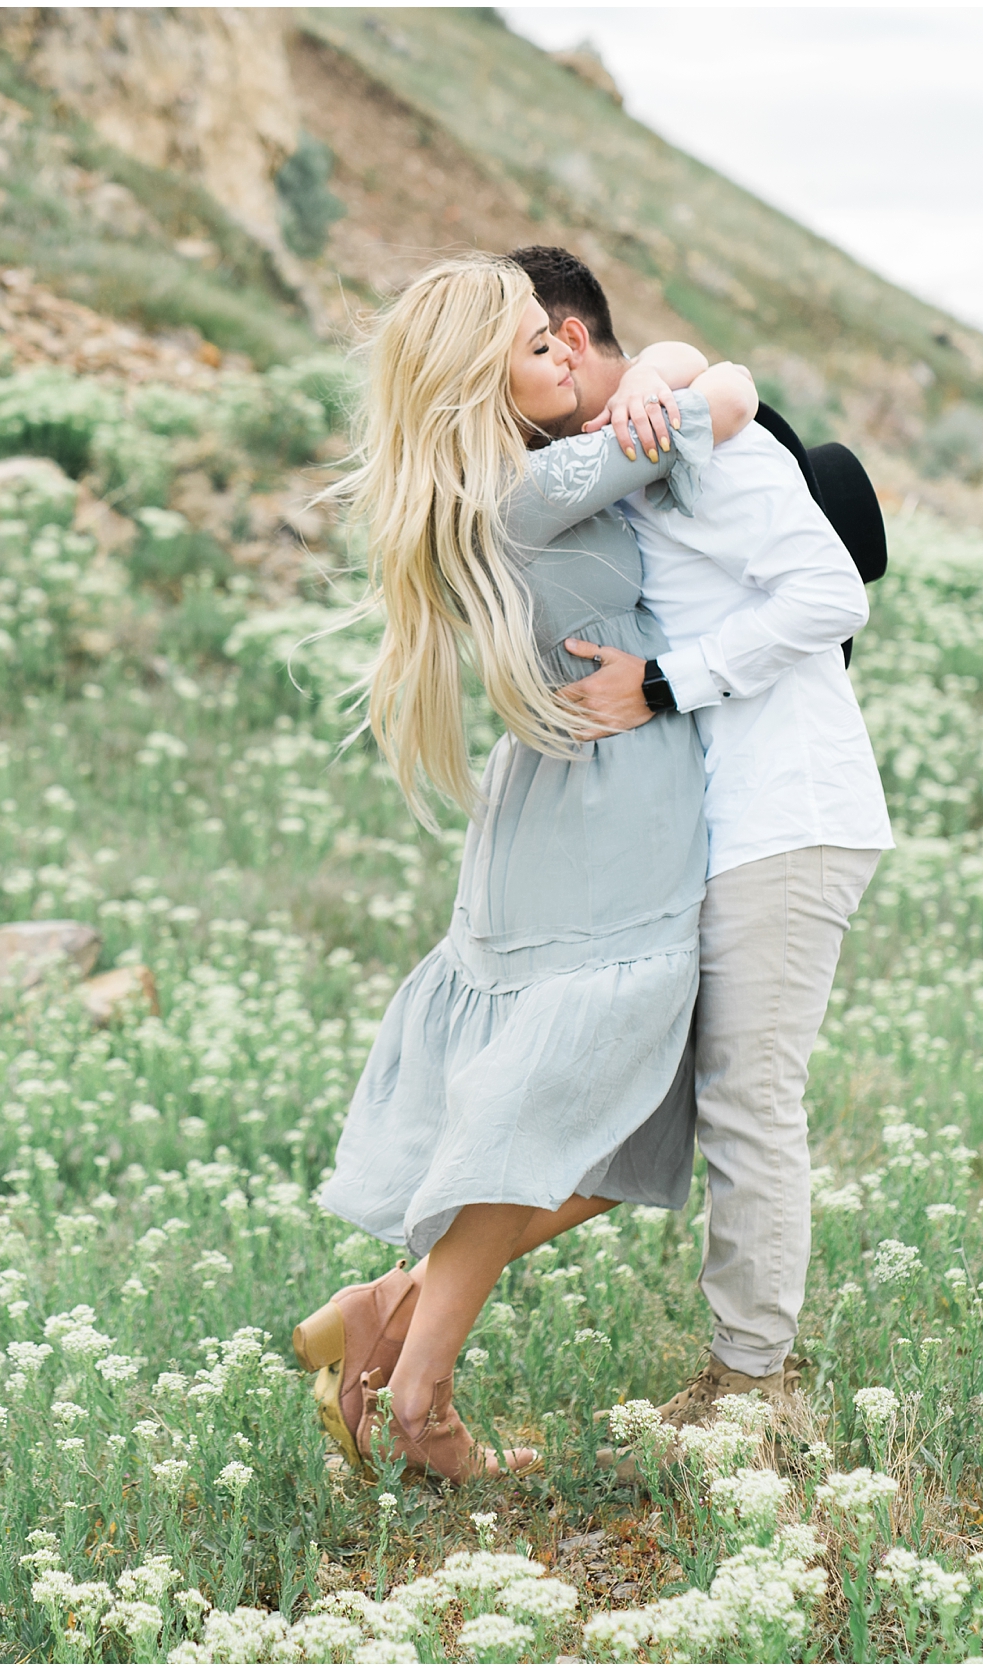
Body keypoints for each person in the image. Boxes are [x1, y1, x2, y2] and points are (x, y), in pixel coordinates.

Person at [292, 255, 757, 1484]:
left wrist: (644, 371)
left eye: (564, 339)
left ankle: (390, 1308)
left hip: (563, 807)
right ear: (468, 377)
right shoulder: (533, 487)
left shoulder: (481, 493)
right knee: (587, 1115)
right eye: (528, 343)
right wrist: (667, 374)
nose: (561, 348)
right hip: (608, 820)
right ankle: (418, 1399)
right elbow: (734, 400)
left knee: (627, 1123)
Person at [508, 243, 895, 1436]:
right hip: (726, 819)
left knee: (745, 1102)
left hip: (793, 811)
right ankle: (412, 1298)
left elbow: (832, 598)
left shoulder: (692, 440)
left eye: (511, 353)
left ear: (569, 343)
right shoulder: (630, 448)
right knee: (657, 1097)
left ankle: (751, 1386)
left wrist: (666, 685)